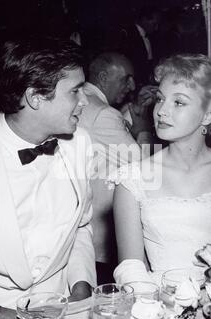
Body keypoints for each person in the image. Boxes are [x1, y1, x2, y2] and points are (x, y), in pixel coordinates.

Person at [0, 37, 96, 319]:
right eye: (75, 91)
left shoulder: (79, 144)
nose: (85, 101)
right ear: (35, 97)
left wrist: (81, 284)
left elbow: (81, 226)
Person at [110, 54, 211, 286]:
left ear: (208, 114)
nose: (161, 111)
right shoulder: (132, 178)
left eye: (178, 102)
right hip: (159, 309)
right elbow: (131, 268)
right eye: (160, 99)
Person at [78, 52, 151, 283]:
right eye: (125, 79)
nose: (131, 86)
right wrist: (143, 130)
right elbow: (145, 168)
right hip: (100, 233)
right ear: (103, 77)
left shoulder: (88, 104)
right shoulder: (103, 113)